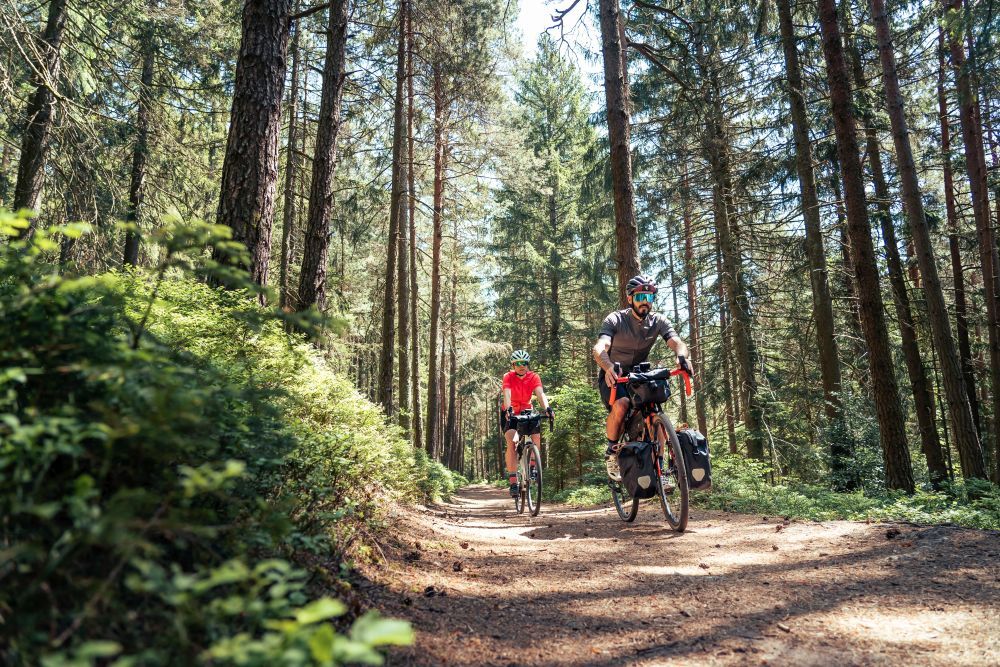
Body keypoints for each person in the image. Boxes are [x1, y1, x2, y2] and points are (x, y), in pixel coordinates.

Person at [592, 274, 692, 480]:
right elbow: (600, 347)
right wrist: (608, 366)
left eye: (649, 297)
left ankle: (661, 470)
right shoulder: (615, 319)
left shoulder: (658, 321)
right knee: (621, 404)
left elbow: (677, 342)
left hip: (638, 374)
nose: (645, 302)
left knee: (656, 411)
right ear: (630, 299)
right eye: (640, 297)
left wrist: (681, 356)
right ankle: (611, 451)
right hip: (614, 373)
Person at [501, 350, 553, 497]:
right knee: (512, 441)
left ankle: (532, 467)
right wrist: (509, 408)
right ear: (513, 365)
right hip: (510, 412)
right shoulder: (508, 377)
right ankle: (513, 481)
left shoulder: (533, 377)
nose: (521, 366)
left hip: (527, 411)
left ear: (527, 364)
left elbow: (540, 393)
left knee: (536, 437)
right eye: (518, 363)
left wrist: (547, 408)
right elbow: (507, 393)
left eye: (524, 363)